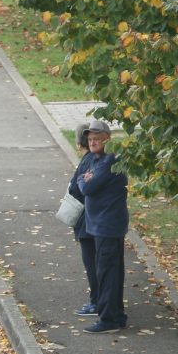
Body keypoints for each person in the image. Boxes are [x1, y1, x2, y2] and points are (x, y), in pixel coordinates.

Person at [77, 119, 129, 333]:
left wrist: (83, 179)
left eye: (97, 138)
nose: (92, 142)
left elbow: (86, 188)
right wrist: (84, 178)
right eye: (90, 139)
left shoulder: (108, 162)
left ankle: (108, 319)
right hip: (104, 226)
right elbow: (84, 181)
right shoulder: (97, 160)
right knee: (112, 272)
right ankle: (116, 315)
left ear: (107, 139)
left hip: (107, 227)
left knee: (107, 273)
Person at [67, 123, 99, 318]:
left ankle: (96, 302)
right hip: (91, 220)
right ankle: (97, 300)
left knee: (91, 263)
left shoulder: (87, 161)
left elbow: (75, 189)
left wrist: (77, 182)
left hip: (87, 221)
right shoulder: (93, 160)